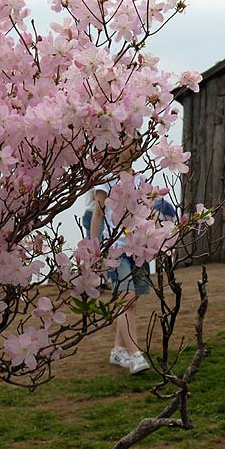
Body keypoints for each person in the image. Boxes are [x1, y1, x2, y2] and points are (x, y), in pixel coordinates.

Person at [89, 143, 151, 375]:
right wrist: (95, 250)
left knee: (131, 302)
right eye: (129, 139)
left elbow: (147, 211)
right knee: (127, 299)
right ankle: (135, 355)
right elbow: (97, 213)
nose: (135, 143)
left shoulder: (142, 178)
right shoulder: (105, 178)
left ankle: (117, 350)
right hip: (115, 249)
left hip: (138, 248)